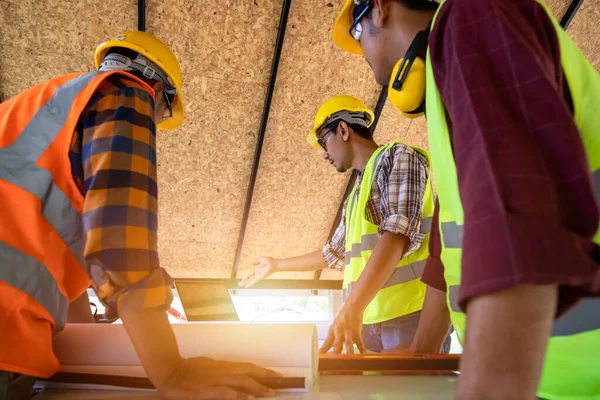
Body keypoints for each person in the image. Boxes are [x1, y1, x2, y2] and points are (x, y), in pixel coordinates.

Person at [331, 0, 600, 398]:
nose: (364, 56)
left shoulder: (476, 18)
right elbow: (448, 257)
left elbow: (518, 236)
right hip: (555, 380)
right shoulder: (450, 81)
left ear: (381, 9)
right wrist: (421, 354)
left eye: (357, 33)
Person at [0, 31, 278, 400]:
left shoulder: (33, 112)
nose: (154, 122)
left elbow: (54, 260)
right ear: (158, 88)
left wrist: (93, 349)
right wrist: (172, 371)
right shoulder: (125, 91)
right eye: (161, 113)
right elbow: (120, 243)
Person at [240, 95, 451, 354]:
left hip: (408, 314)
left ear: (342, 129)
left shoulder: (399, 156)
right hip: (367, 317)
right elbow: (333, 253)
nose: (324, 154)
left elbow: (397, 235)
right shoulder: (356, 194)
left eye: (323, 141)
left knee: (414, 393)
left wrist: (351, 308)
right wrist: (277, 265)